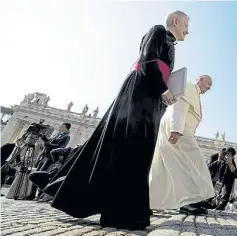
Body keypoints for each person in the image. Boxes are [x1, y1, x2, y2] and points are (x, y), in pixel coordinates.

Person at [48, 11, 190, 230]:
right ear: (176, 21)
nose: (188, 31)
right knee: (131, 147)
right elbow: (148, 60)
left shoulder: (171, 44)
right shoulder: (158, 31)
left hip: (151, 99)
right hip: (139, 94)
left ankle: (123, 211)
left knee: (139, 152)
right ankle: (122, 214)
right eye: (186, 25)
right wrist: (163, 89)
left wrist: (166, 94)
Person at [149, 75, 214, 215]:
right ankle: (188, 202)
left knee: (164, 166)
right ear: (200, 79)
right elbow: (179, 105)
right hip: (179, 128)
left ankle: (151, 202)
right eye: (208, 83)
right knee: (193, 162)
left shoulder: (195, 93)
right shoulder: (189, 86)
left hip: (179, 128)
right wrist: (176, 128)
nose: (209, 87)